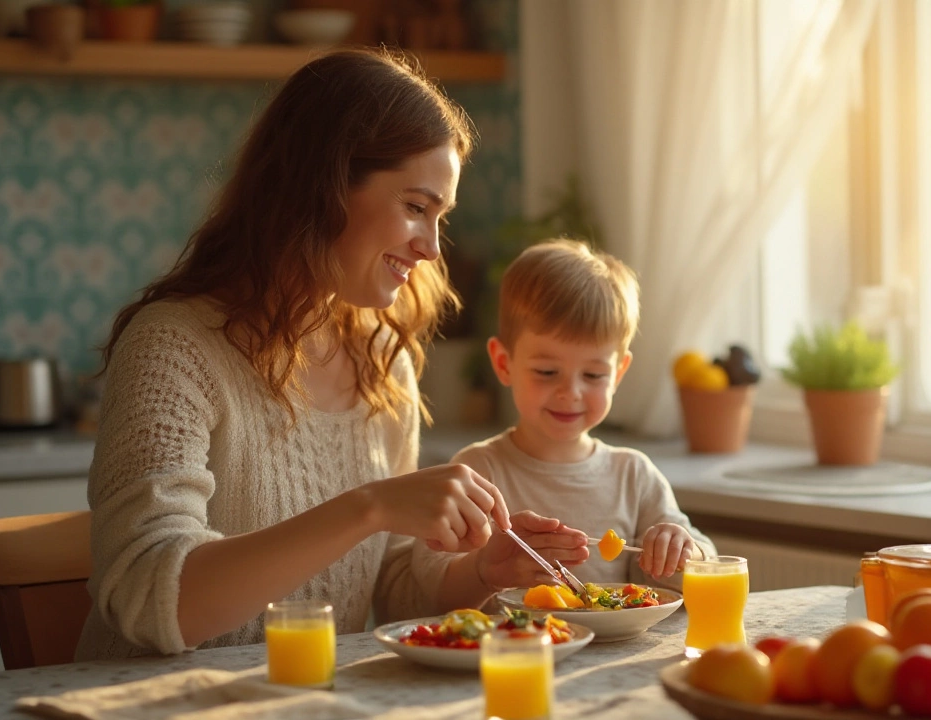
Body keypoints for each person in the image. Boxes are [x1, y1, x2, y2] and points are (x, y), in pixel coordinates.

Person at [75, 48, 585, 661]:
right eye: (415, 207)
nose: (431, 247)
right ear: (323, 188)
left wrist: (481, 572)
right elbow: (154, 599)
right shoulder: (173, 348)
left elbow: (391, 589)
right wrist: (368, 508)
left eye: (439, 217)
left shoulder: (379, 359)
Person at [411, 239, 714, 612]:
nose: (570, 392)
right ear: (504, 363)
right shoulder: (476, 472)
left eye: (593, 374)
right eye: (547, 371)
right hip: (511, 660)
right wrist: (484, 571)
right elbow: (430, 591)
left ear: (618, 374)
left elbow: (706, 569)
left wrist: (683, 549)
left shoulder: (633, 475)